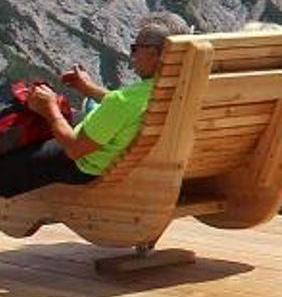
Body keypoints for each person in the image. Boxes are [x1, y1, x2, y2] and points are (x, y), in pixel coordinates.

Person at [0, 12, 189, 199]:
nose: (133, 56)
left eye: (135, 48)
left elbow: (74, 150)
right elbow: (128, 109)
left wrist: (50, 110)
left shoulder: (123, 101)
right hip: (127, 147)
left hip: (85, 165)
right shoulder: (182, 87)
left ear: (153, 53)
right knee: (63, 118)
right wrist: (89, 88)